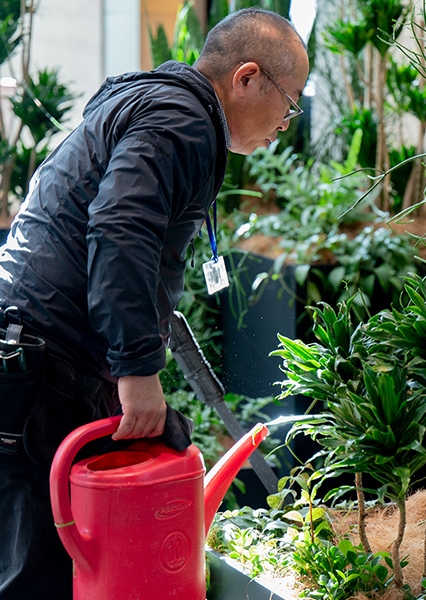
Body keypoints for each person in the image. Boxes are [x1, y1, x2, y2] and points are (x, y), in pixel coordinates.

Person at [0, 7, 309, 599]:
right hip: (45, 362)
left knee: (39, 558)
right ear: (248, 78)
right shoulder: (181, 122)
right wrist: (138, 370)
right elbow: (119, 229)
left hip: (28, 350)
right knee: (40, 571)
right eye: (289, 103)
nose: (286, 124)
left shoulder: (151, 101)